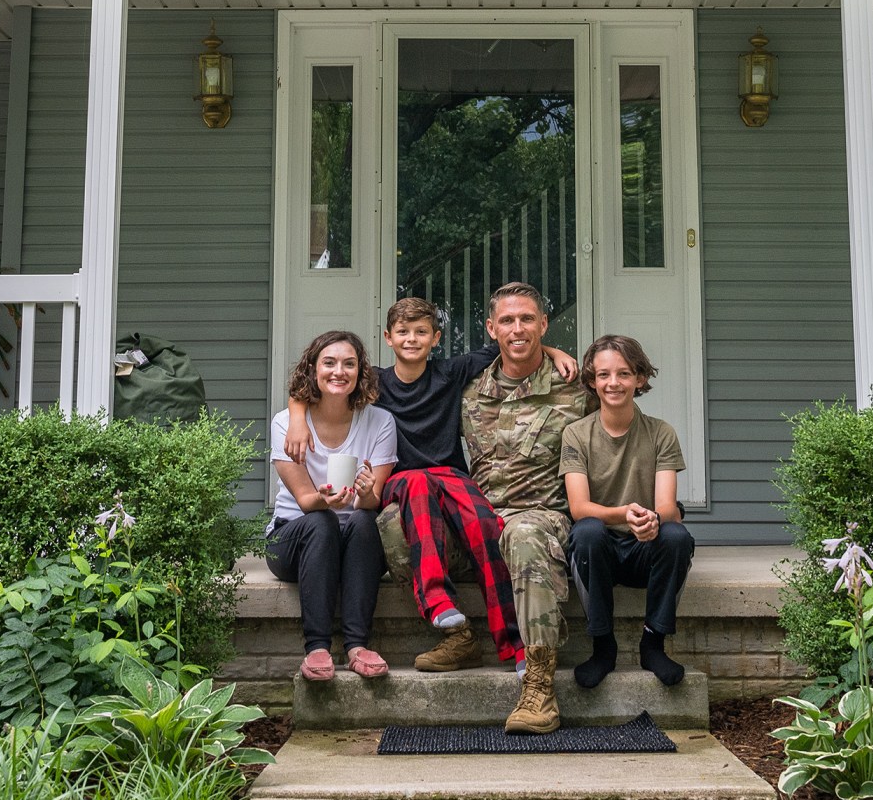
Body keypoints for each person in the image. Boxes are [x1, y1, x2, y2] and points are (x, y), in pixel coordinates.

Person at [283, 298, 577, 677]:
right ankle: (437, 601)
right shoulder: (373, 382)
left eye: (421, 332)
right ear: (388, 338)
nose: (412, 339)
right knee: (418, 482)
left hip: (451, 477)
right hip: (400, 481)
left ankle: (515, 644)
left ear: (436, 338)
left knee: (487, 525)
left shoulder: (451, 372)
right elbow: (315, 384)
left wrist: (553, 349)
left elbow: (510, 345)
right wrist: (295, 418)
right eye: (403, 332)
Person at [462, 282, 594, 733]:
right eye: (506, 321)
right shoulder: (469, 391)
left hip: (542, 515)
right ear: (490, 328)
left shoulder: (576, 388)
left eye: (526, 319)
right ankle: (455, 635)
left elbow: (622, 416)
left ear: (543, 324)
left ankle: (539, 685)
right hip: (479, 519)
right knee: (393, 525)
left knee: (523, 535)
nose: (516, 329)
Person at [560, 334, 695, 688]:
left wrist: (652, 520)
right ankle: (603, 646)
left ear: (640, 378)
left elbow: (667, 508)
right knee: (586, 531)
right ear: (591, 381)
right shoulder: (576, 435)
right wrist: (624, 514)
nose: (613, 383)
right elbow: (579, 507)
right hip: (600, 550)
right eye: (603, 375)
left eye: (623, 373)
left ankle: (654, 643)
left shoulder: (661, 433)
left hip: (643, 548)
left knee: (676, 536)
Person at [267, 330, 397, 681]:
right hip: (293, 539)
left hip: (354, 541)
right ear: (312, 369)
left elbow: (372, 501)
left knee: (364, 519)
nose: (339, 371)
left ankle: (357, 646)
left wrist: (367, 492)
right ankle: (317, 648)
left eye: (349, 364)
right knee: (322, 521)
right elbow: (307, 501)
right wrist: (321, 499)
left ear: (360, 373)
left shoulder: (380, 422)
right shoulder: (287, 423)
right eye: (329, 362)